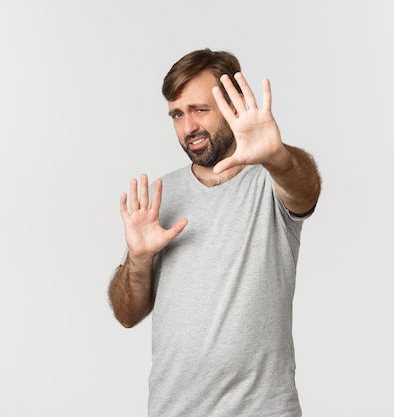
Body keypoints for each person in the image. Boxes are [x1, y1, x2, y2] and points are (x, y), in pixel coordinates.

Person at [108, 48, 321, 417]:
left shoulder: (271, 181)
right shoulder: (162, 196)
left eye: (200, 110)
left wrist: (278, 157)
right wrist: (138, 260)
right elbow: (128, 314)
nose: (188, 127)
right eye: (177, 114)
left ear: (233, 104)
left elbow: (306, 190)